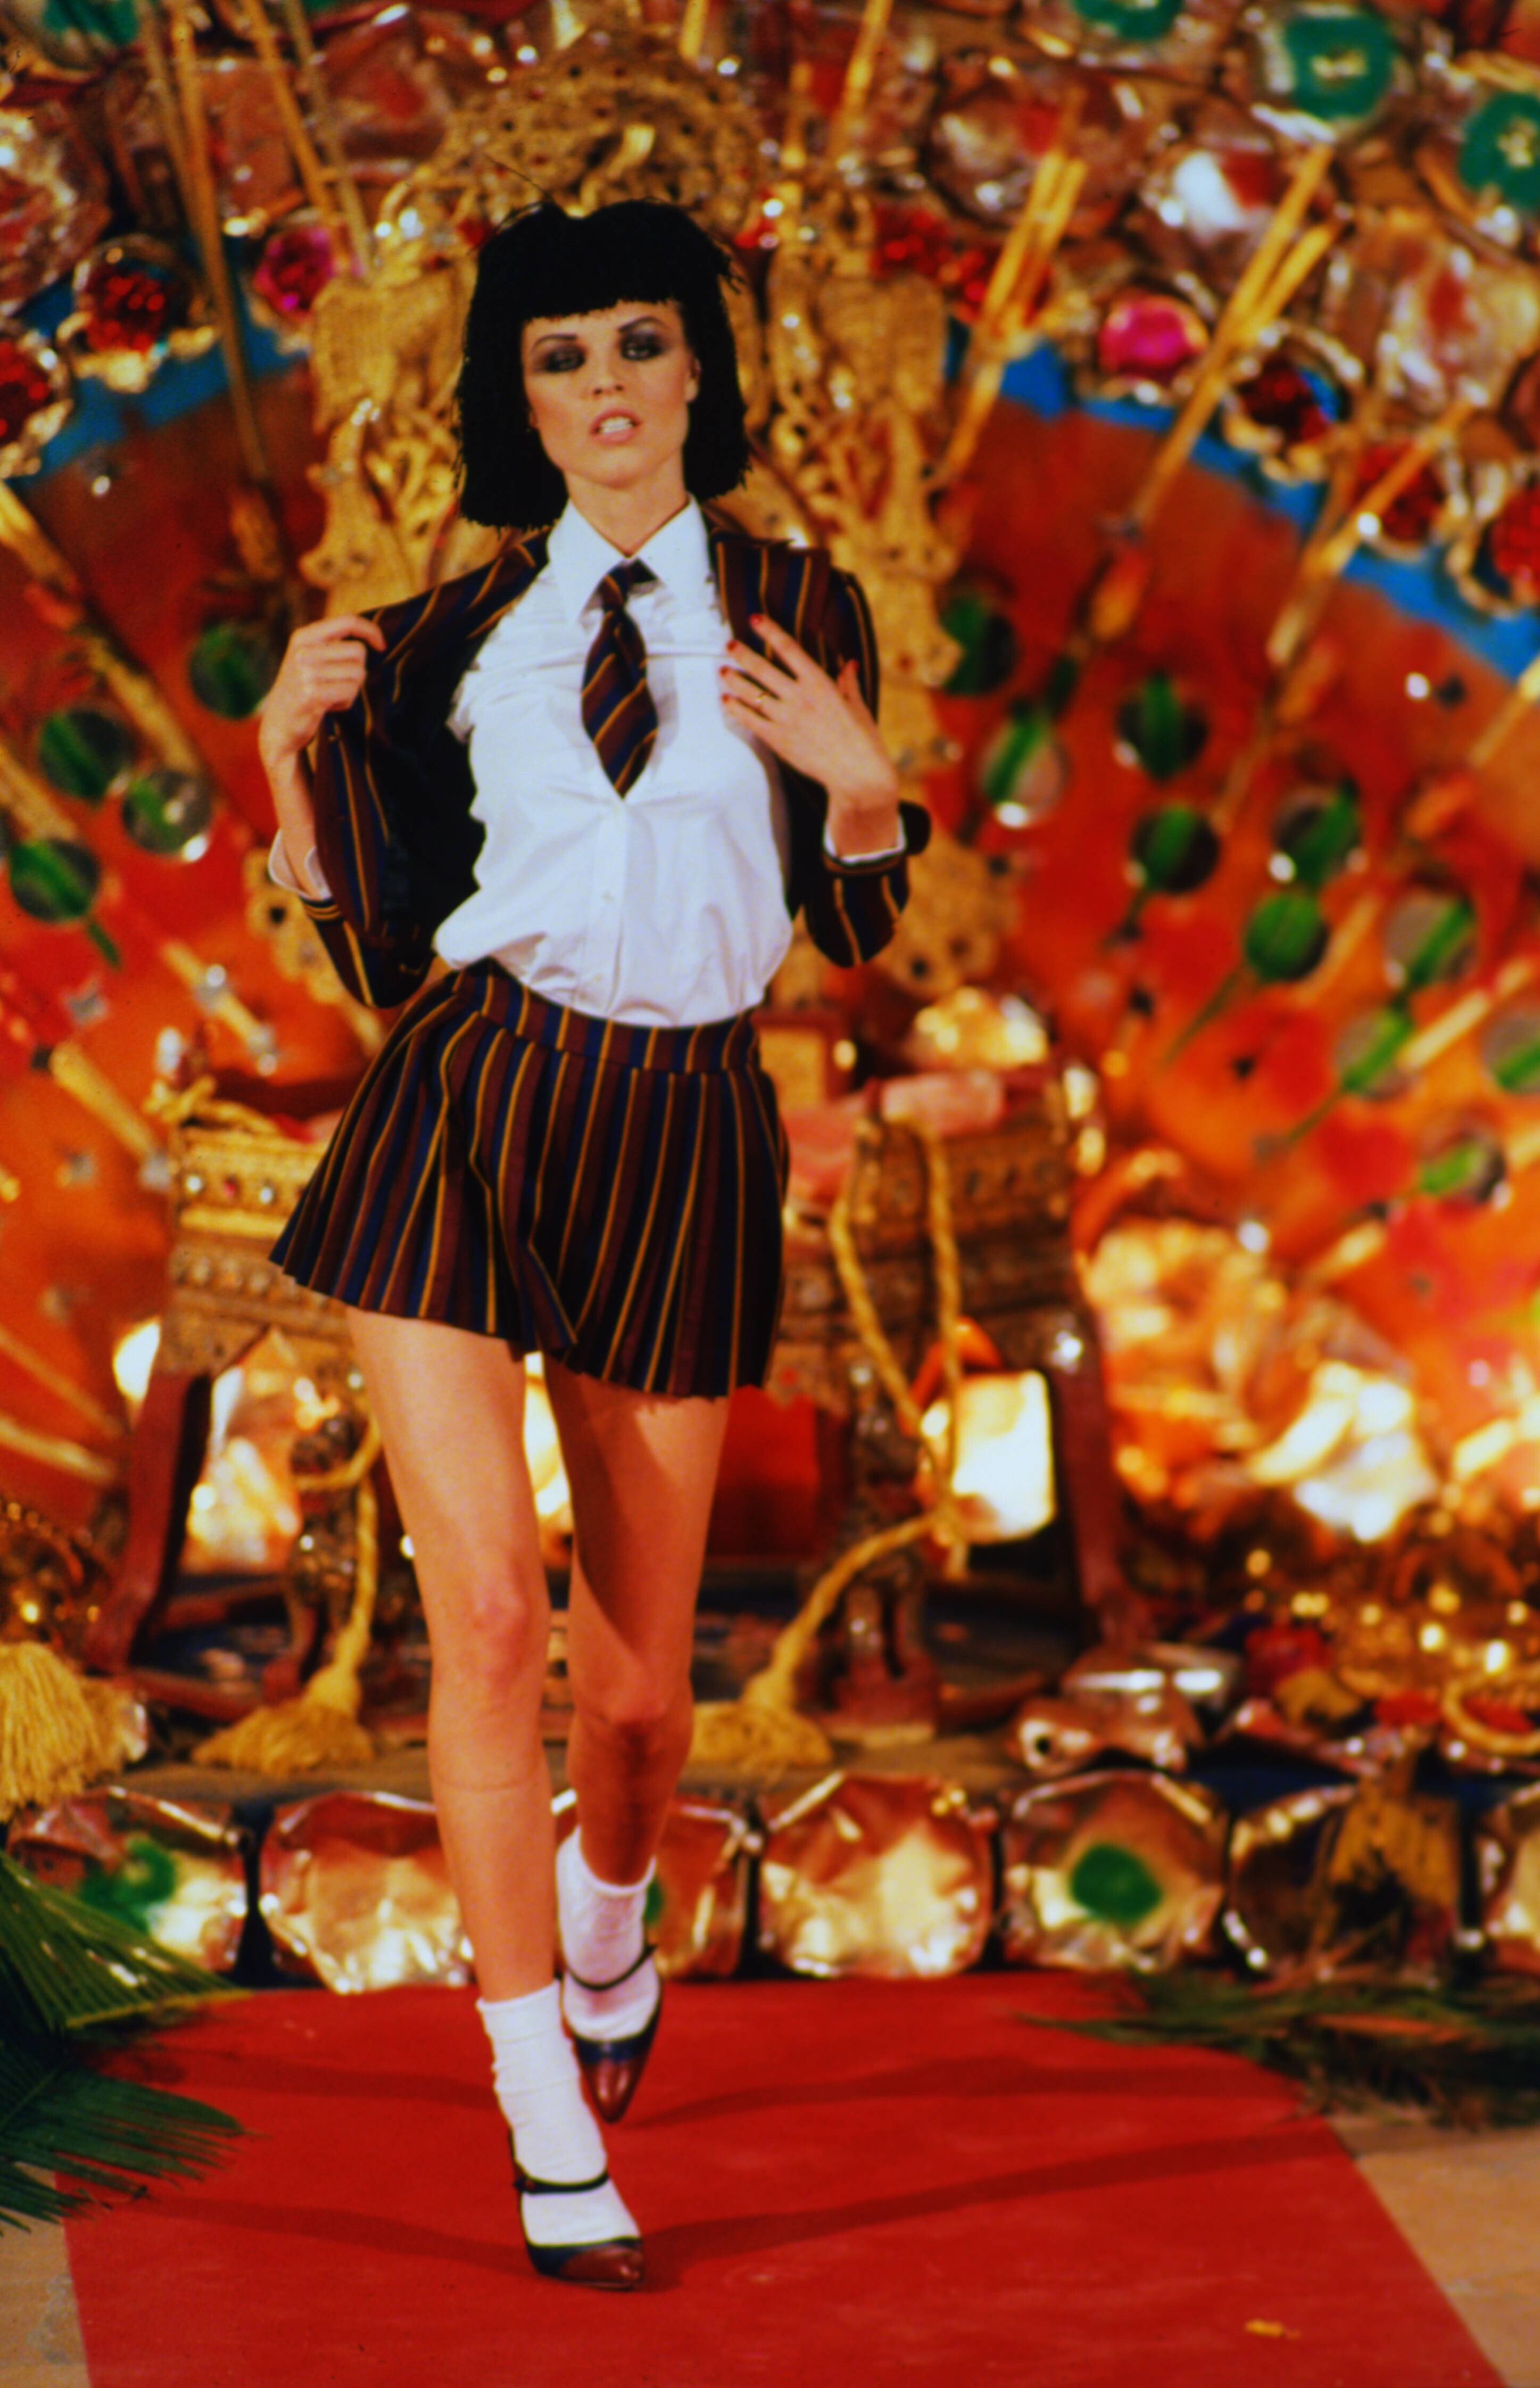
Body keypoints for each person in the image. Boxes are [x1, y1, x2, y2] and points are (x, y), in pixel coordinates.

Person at [256, 198, 929, 2290]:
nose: (609, 385)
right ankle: (546, 2120)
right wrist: (285, 763)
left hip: (683, 1128)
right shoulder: (447, 636)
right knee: (484, 1623)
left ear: (700, 370)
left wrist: (864, 788)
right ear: (520, 401)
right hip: (469, 1103)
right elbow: (381, 950)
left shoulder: (802, 606)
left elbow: (855, 926)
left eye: (641, 342)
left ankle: (613, 1920)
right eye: (563, 357)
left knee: (636, 1705)